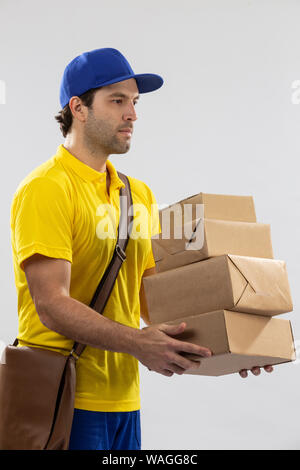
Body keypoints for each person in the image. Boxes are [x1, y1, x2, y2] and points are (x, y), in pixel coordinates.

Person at [9, 47, 273, 451]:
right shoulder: (47, 188)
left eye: (134, 102)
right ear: (78, 108)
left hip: (124, 398)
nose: (132, 114)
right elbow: (50, 304)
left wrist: (234, 343)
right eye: (117, 101)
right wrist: (138, 343)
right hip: (62, 397)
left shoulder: (138, 195)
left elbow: (153, 298)